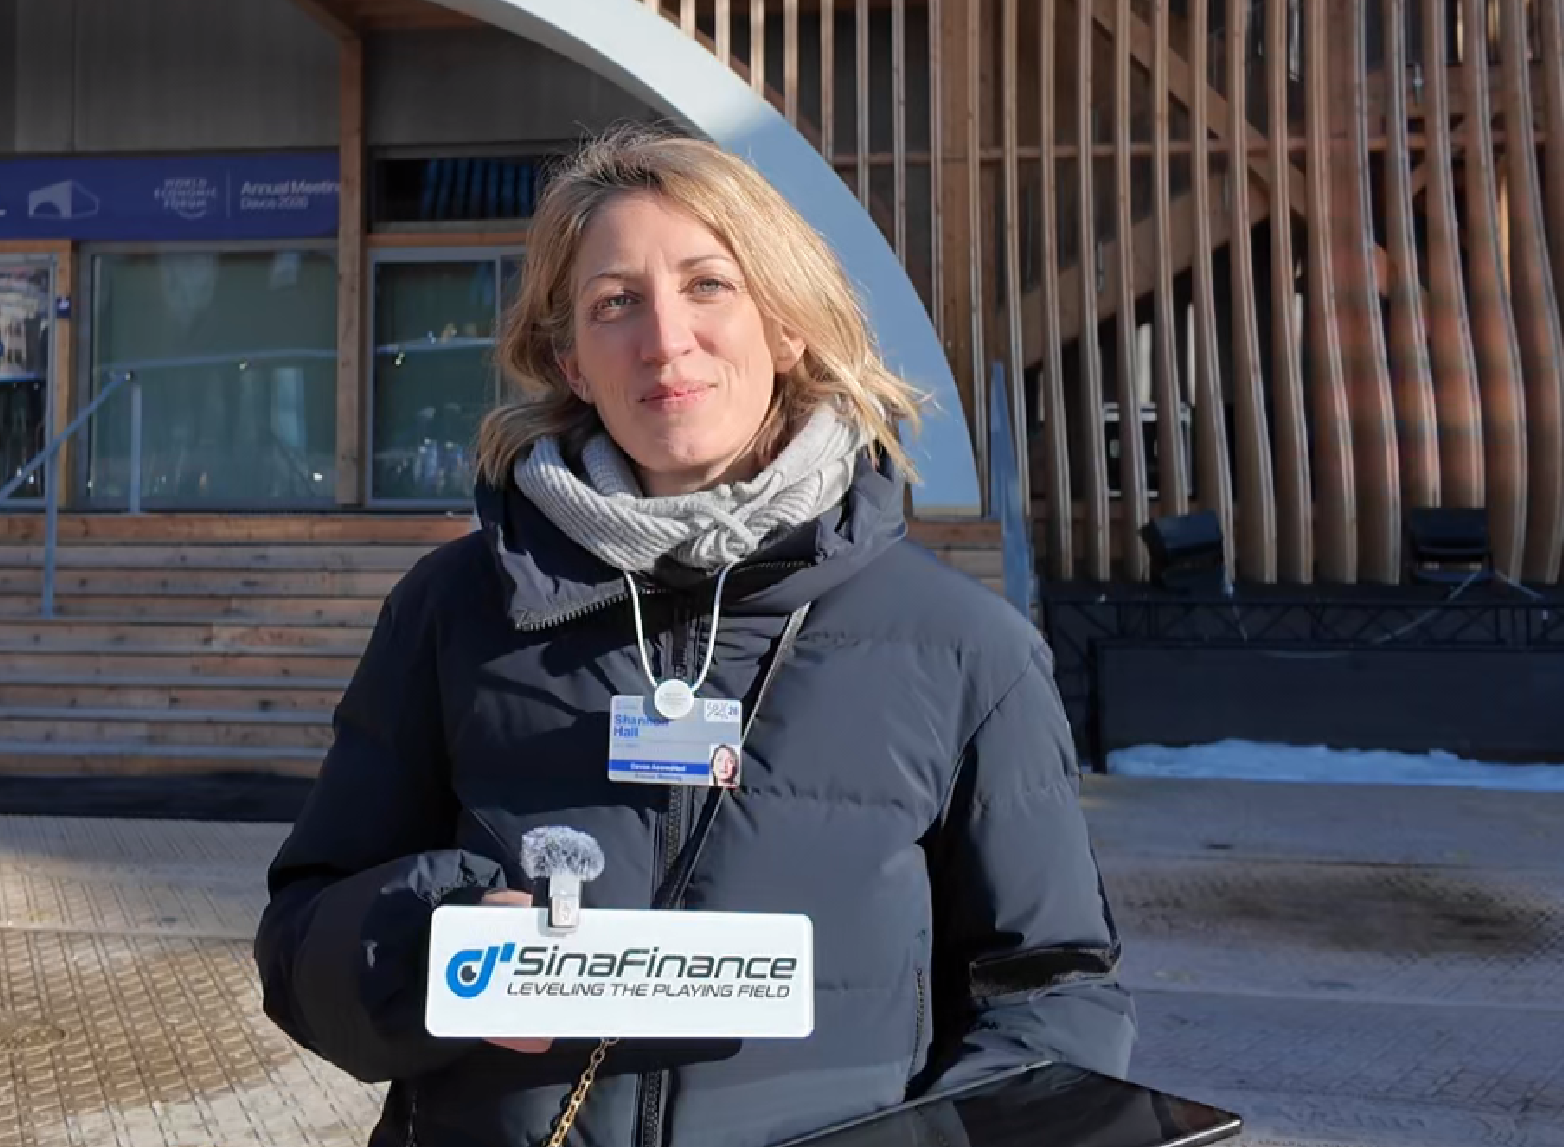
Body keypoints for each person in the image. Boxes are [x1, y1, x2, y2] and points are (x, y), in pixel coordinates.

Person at [254, 124, 1134, 1147]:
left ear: (788, 326)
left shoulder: (966, 648)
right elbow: (299, 942)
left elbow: (1051, 991)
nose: (664, 339)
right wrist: (429, 951)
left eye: (708, 285)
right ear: (569, 360)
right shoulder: (452, 612)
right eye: (614, 302)